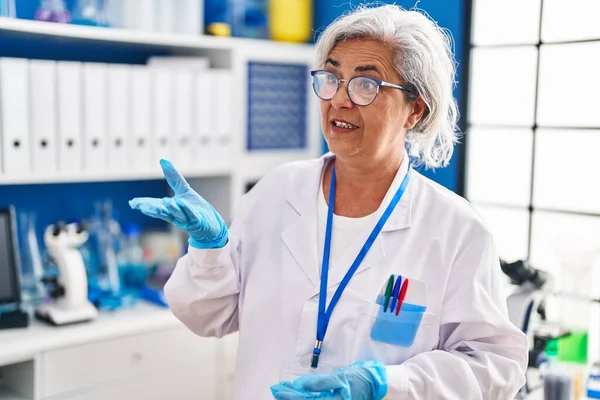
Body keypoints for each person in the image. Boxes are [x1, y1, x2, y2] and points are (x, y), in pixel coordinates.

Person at [129, 4, 528, 400]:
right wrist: (209, 251)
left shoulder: (455, 230)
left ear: (414, 110)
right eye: (332, 77)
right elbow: (207, 317)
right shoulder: (276, 193)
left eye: (366, 85)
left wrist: (387, 385)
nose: (339, 99)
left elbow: (494, 367)